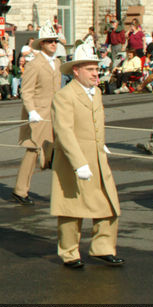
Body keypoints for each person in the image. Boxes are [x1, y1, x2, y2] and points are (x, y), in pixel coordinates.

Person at [50, 41, 122, 268]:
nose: (95, 73)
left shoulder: (97, 92)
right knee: (72, 209)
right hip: (75, 160)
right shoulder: (64, 96)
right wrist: (79, 163)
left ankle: (103, 248)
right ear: (76, 71)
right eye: (90, 69)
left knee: (108, 203)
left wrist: (101, 145)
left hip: (97, 157)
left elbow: (96, 123)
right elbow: (64, 131)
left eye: (96, 69)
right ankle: (70, 252)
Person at [12, 21, 63, 206]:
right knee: (33, 150)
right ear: (41, 43)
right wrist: (32, 111)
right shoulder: (34, 64)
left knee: (58, 151)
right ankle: (20, 190)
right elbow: (26, 91)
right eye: (49, 41)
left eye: (55, 41)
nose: (53, 44)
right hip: (38, 114)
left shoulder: (57, 63)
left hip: (55, 113)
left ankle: (61, 192)